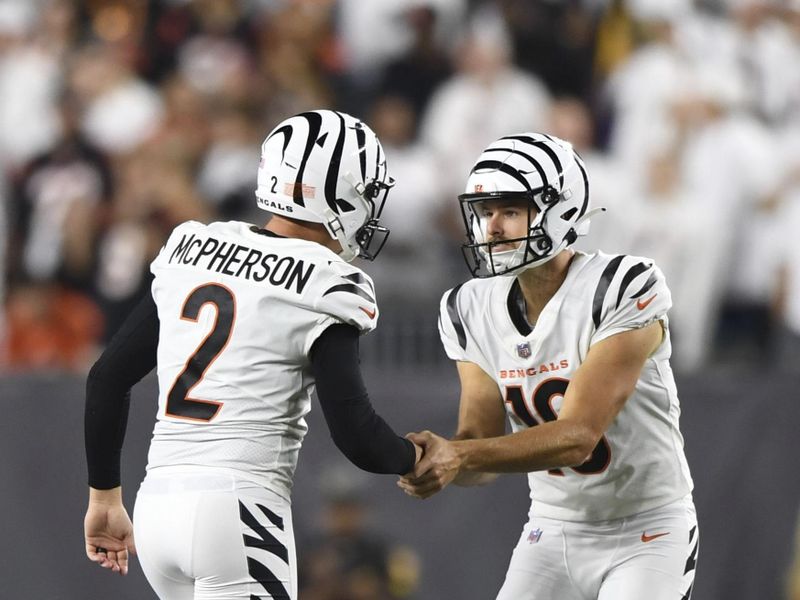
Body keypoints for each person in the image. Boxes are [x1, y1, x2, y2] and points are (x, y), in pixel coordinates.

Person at [83, 109, 421, 599]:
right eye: (366, 194)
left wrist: (103, 497)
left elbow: (107, 379)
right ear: (338, 194)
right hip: (238, 507)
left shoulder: (192, 246)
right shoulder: (328, 280)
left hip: (157, 504)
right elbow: (355, 433)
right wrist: (415, 458)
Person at [398, 133, 698, 599]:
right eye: (484, 212)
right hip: (553, 527)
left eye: (510, 210)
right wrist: (439, 462)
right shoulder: (468, 306)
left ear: (561, 211)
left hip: (647, 528)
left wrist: (460, 456)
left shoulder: (622, 285)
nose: (492, 227)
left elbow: (577, 437)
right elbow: (479, 443)